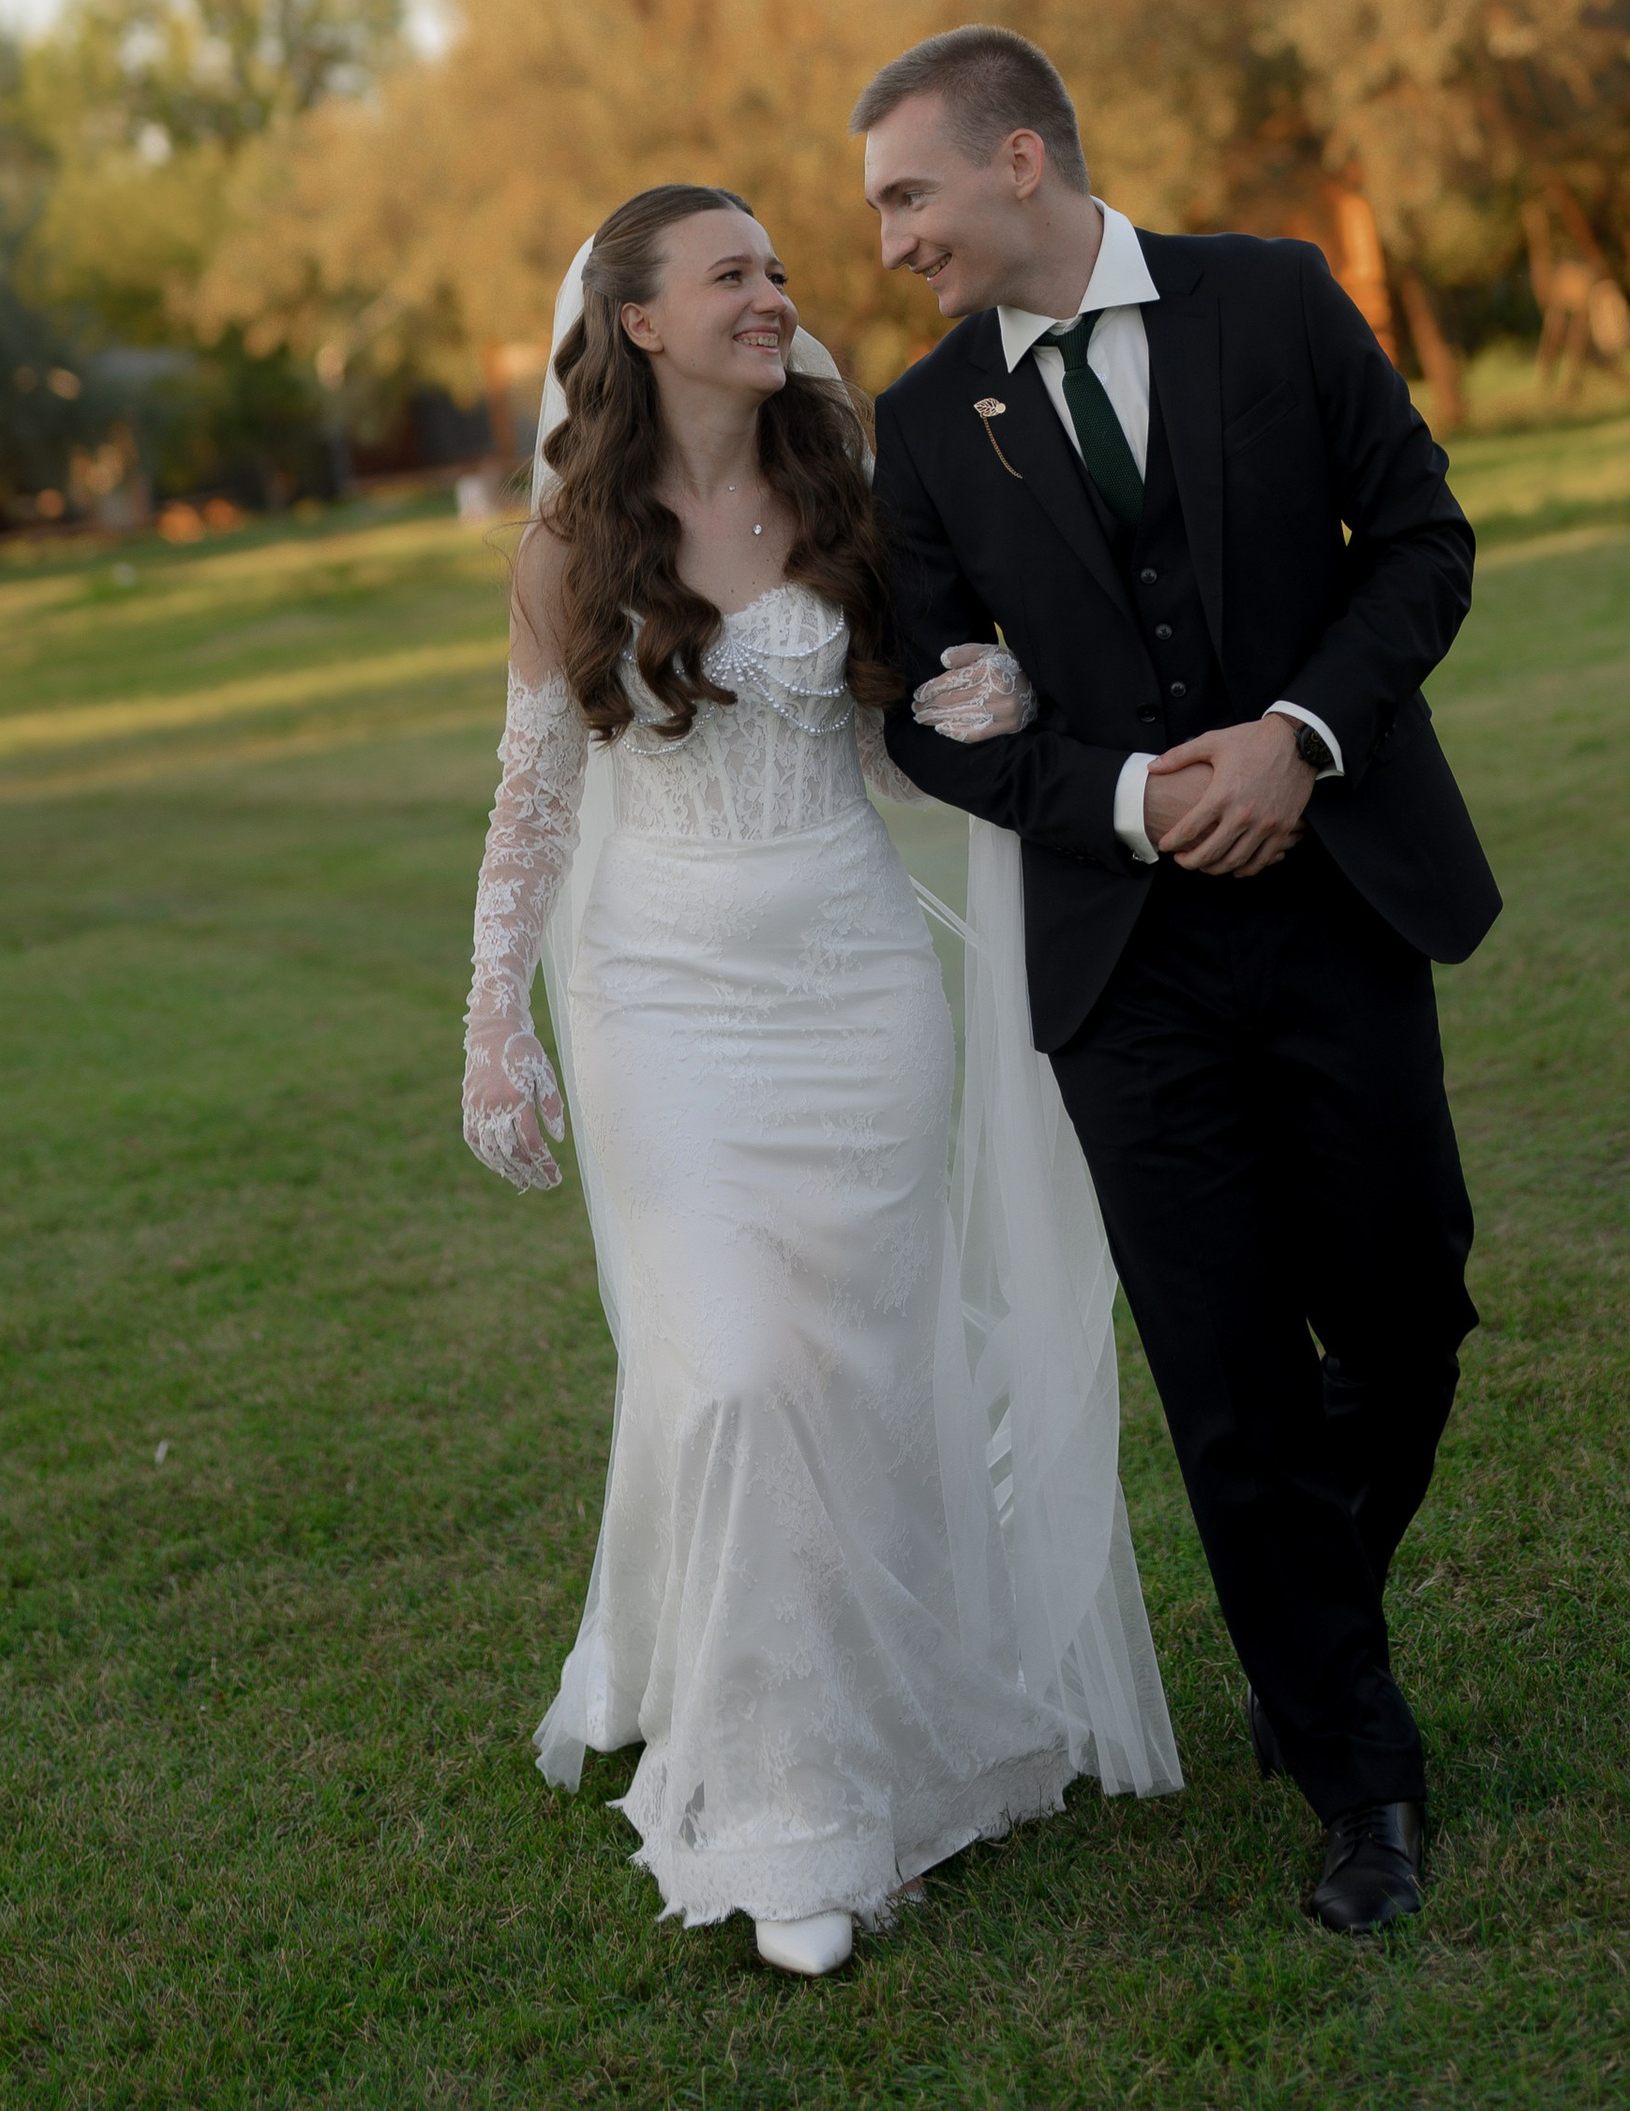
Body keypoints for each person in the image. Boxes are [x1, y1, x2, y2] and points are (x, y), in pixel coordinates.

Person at [461, 181, 1178, 1980]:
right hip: (663, 1001)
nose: (777, 295)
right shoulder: (568, 546)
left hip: (857, 985)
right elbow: (537, 802)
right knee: (734, 1373)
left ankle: (896, 1710)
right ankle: (784, 1807)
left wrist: (988, 716)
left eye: (779, 269)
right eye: (734, 275)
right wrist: (494, 1019)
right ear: (637, 321)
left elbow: (894, 753)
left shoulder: (849, 489)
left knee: (860, 1368)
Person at [854, 30, 1501, 1938]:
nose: (890, 239)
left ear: (1022, 160)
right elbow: (933, 720)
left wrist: (1298, 733)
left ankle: (1313, 1622)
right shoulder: (921, 423)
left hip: (1341, 900)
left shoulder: (1273, 298)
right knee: (1225, 1386)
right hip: (1124, 965)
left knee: (1407, 1314)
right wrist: (1132, 794)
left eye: (910, 194)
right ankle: (1352, 1772)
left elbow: (1424, 542)